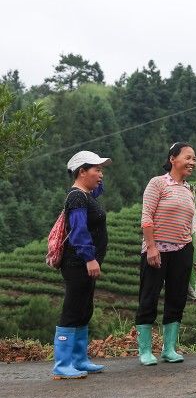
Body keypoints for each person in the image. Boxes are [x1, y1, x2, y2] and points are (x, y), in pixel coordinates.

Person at [135, 141, 196, 366]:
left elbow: (193, 225)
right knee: (149, 297)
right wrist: (152, 247)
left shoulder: (188, 190)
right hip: (158, 250)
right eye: (188, 157)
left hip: (183, 250)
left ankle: (169, 349)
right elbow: (146, 217)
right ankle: (145, 351)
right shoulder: (157, 184)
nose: (192, 162)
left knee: (176, 299)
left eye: (194, 158)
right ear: (172, 159)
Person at [53, 150, 112, 380]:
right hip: (77, 263)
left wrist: (96, 179)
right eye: (97, 169)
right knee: (73, 309)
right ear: (82, 171)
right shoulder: (77, 197)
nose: (101, 174)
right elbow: (78, 232)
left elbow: (97, 188)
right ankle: (62, 364)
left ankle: (78, 360)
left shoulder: (86, 195)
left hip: (85, 263)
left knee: (84, 309)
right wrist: (89, 258)